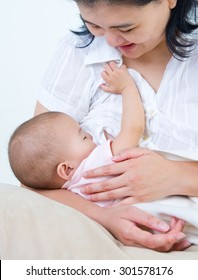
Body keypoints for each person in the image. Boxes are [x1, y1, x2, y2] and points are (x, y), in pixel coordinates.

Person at [32, 0, 198, 251]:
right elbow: (35, 176)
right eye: (94, 25)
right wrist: (104, 217)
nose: (110, 41)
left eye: (127, 28)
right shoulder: (77, 53)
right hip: (98, 238)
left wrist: (177, 176)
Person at [8, 62, 145, 202]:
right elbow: (133, 130)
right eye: (84, 137)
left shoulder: (68, 193)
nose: (90, 135)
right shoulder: (93, 167)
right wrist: (127, 88)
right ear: (67, 169)